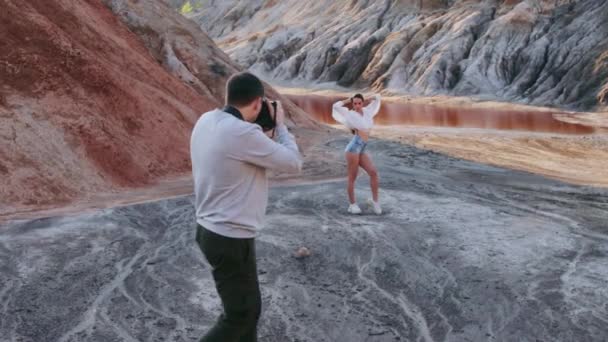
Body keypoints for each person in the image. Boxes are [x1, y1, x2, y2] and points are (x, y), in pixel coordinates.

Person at [190, 72, 302, 341]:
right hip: (230, 238)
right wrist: (281, 127)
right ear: (256, 103)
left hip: (213, 231)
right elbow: (293, 163)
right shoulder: (241, 133)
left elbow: (240, 152)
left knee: (247, 315)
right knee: (240, 315)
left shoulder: (207, 120)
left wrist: (263, 132)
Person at [332, 93, 382, 215]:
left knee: (373, 172)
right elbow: (336, 106)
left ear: (363, 103)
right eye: (355, 103)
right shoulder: (350, 114)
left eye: (360, 103)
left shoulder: (367, 111)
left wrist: (370, 98)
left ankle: (375, 202)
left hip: (362, 147)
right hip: (353, 148)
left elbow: (378, 98)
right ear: (353, 104)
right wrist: (348, 100)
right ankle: (352, 205)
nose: (358, 105)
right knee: (352, 177)